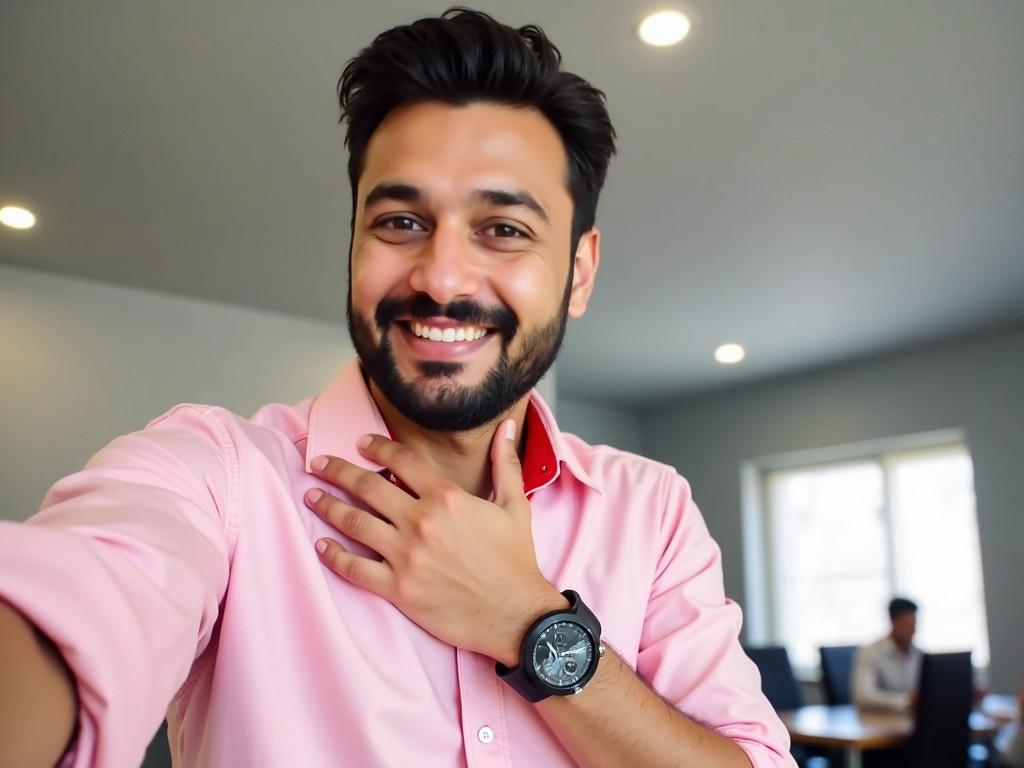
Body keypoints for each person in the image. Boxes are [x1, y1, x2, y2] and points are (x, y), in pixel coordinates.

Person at [0, 9, 795, 767]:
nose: (442, 277)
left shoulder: (652, 511)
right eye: (401, 223)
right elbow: (87, 591)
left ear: (579, 271)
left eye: (505, 229)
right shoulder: (220, 477)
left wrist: (529, 623)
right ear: (354, 242)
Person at [852, 597, 923, 711]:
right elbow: (863, 696)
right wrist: (906, 700)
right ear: (893, 622)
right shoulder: (870, 652)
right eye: (907, 624)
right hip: (879, 720)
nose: (913, 630)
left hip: (910, 718)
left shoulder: (919, 654)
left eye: (914, 624)